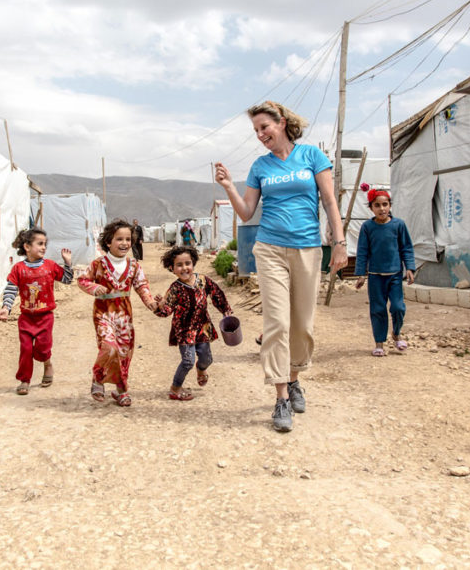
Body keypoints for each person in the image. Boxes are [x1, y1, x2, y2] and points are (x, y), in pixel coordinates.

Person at [214, 100, 347, 432]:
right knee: (276, 323)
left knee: (301, 325)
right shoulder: (260, 166)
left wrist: (340, 242)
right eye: (256, 130)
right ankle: (281, 397)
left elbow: (329, 201)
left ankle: (294, 377)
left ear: (282, 123)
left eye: (264, 127)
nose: (260, 135)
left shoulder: (312, 157)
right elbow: (247, 213)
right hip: (270, 249)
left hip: (307, 249)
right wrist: (230, 186)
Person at [76, 218, 157, 407]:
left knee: (123, 352)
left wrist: (151, 302)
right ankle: (98, 378)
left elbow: (142, 286)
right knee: (109, 347)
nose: (124, 243)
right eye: (119, 239)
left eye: (128, 239)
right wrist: (94, 287)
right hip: (103, 313)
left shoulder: (135, 266)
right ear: (108, 242)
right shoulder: (98, 264)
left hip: (124, 315)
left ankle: (121, 389)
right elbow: (82, 280)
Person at [0, 228, 73, 395]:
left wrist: (67, 263)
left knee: (42, 349)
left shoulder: (50, 266)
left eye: (45, 244)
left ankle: (47, 364)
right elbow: (11, 289)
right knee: (26, 349)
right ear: (26, 246)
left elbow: (67, 280)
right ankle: (24, 380)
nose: (44, 247)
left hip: (45, 317)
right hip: (26, 318)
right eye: (39, 244)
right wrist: (6, 308)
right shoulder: (18, 269)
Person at [154, 245, 233, 401]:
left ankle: (201, 369)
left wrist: (226, 310)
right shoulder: (175, 288)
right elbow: (167, 310)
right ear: (172, 268)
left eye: (187, 263)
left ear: (193, 263)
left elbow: (217, 294)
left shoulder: (203, 280)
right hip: (184, 329)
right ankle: (175, 388)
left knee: (207, 359)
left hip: (203, 326)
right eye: (179, 265)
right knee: (188, 361)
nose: (184, 268)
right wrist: (160, 306)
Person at [354, 186, 416, 357]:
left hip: (395, 275)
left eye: (385, 204)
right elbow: (362, 251)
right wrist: (361, 274)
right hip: (375, 276)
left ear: (390, 205)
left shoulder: (398, 225)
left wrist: (409, 268)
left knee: (398, 307)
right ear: (371, 208)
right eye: (377, 205)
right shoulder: (367, 227)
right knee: (378, 309)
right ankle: (379, 342)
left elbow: (406, 248)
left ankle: (396, 334)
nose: (382, 209)